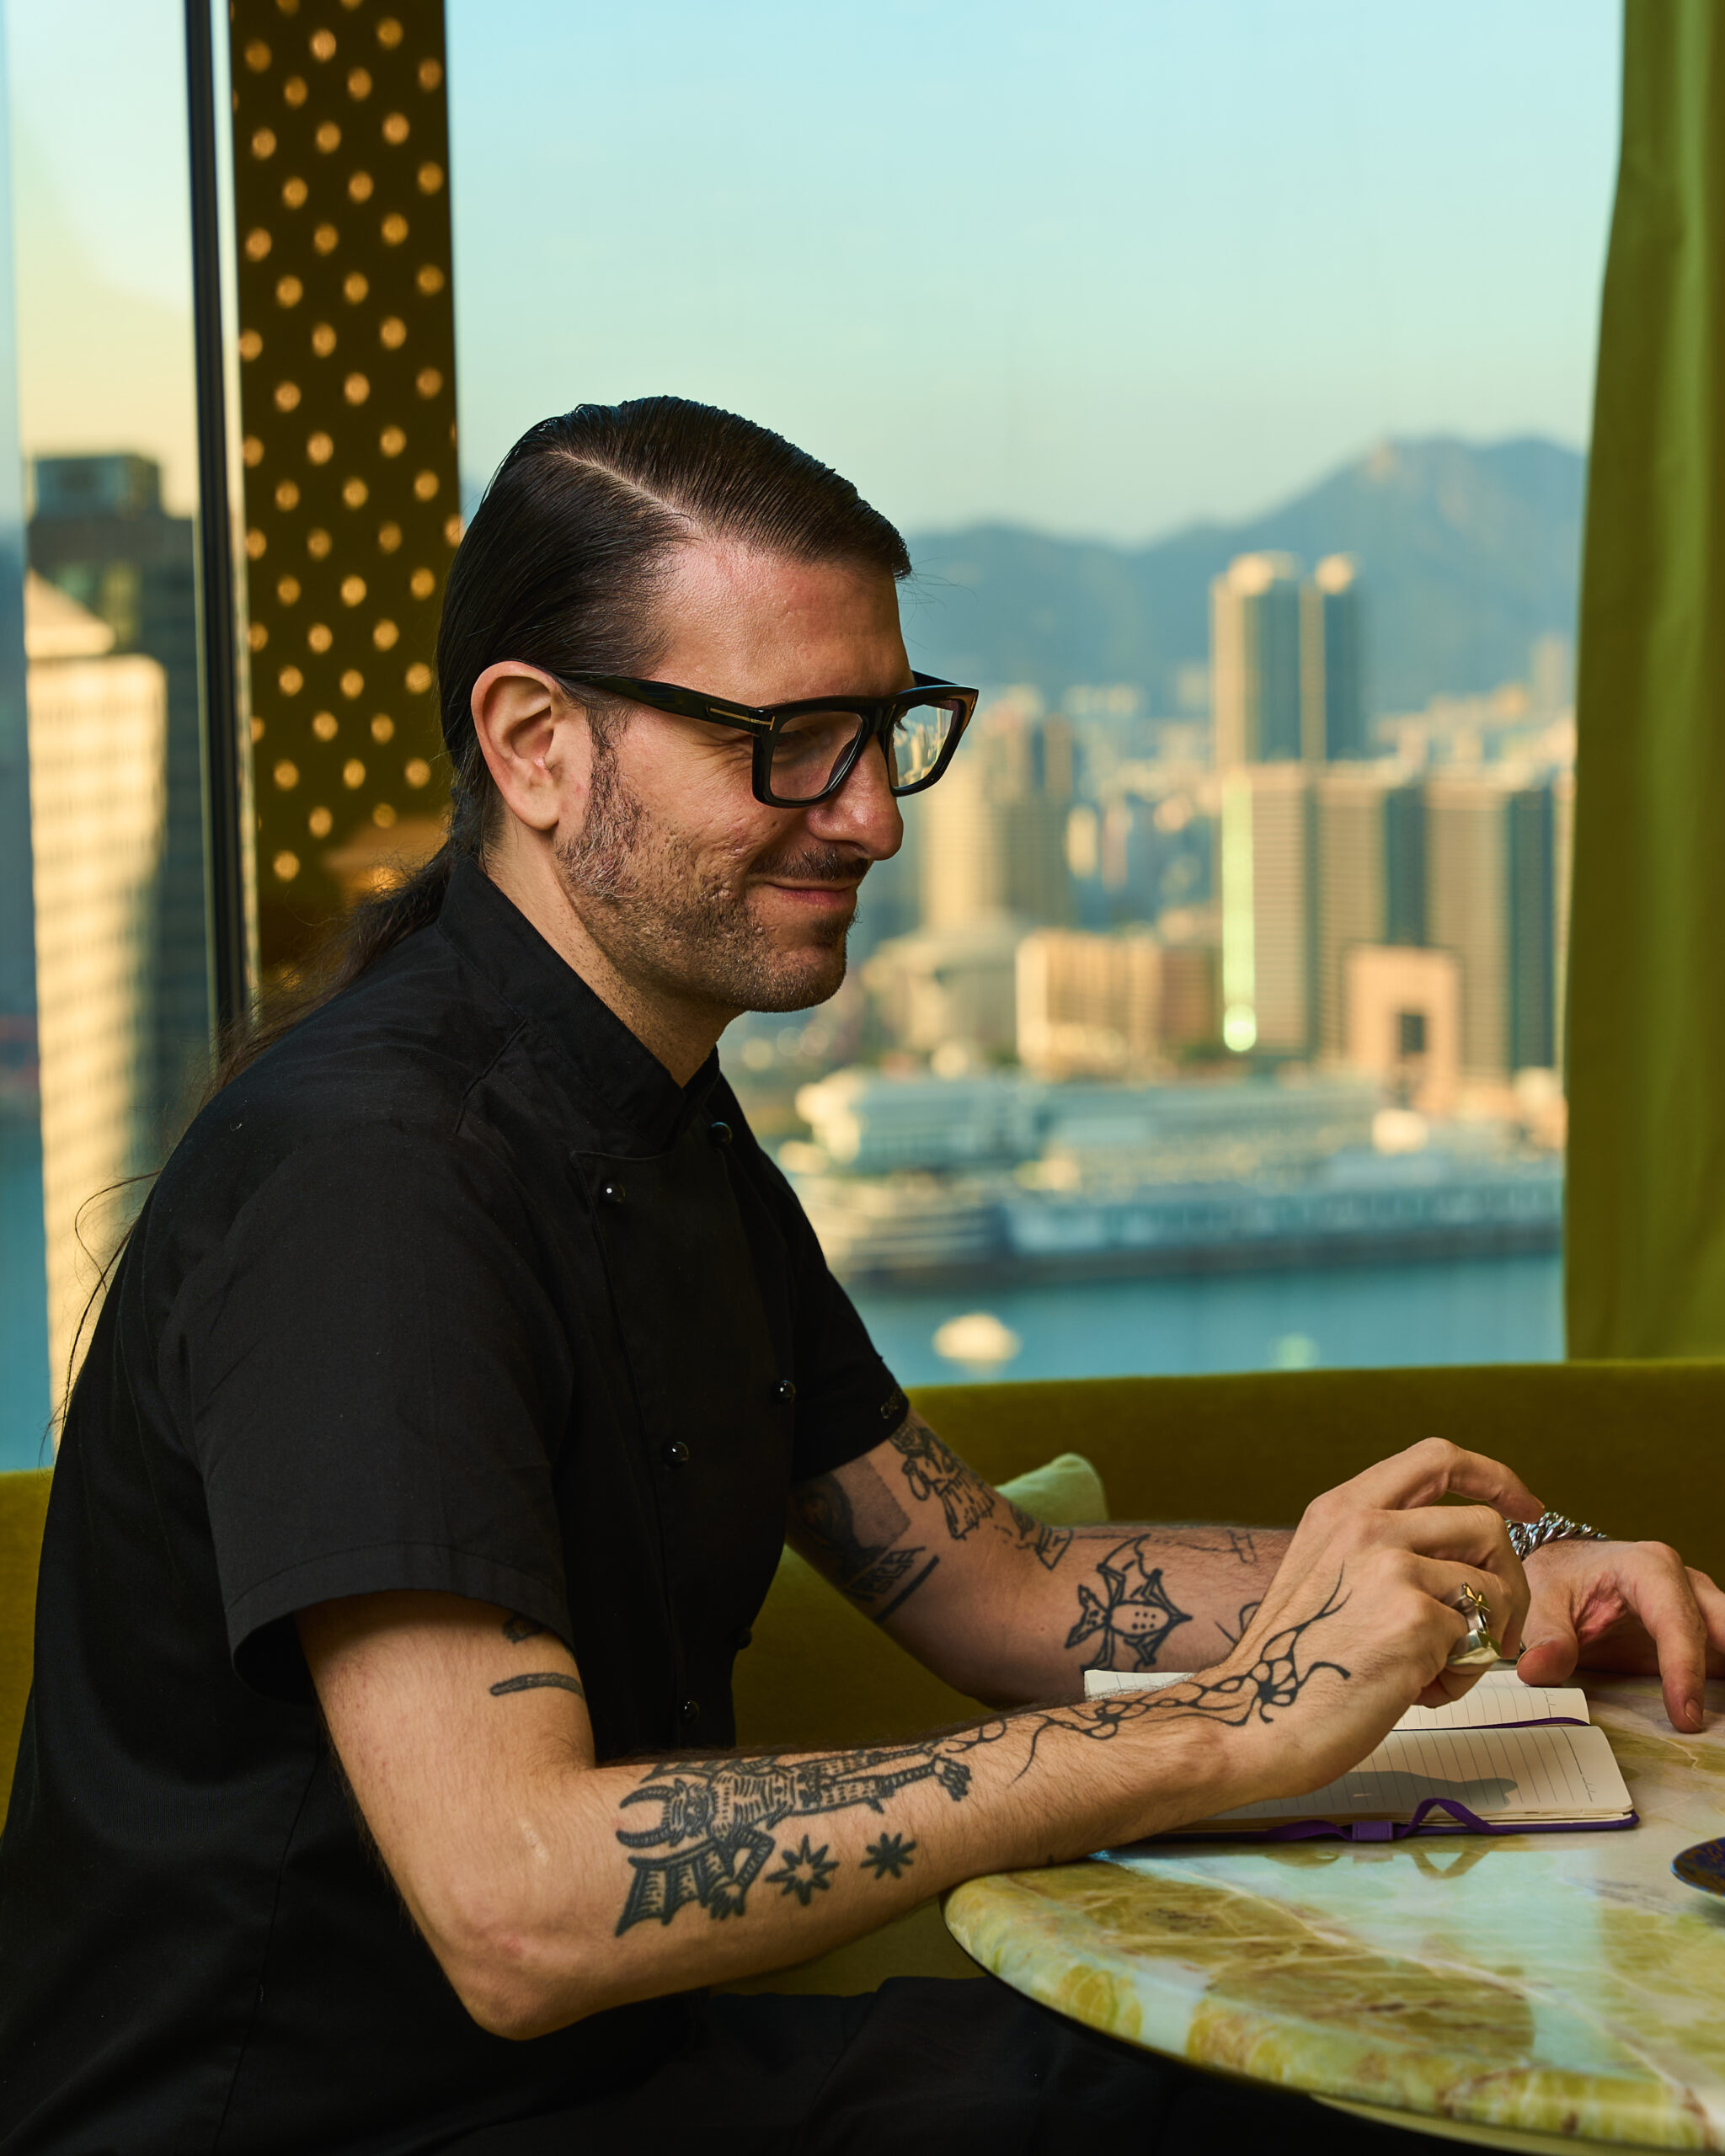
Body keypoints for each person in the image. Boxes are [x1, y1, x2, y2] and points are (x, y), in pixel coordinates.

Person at [1, 398, 1719, 2156]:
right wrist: (1226, 1727)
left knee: (1358, 2068)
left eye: (884, 732)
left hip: (609, 2085)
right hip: (312, 2127)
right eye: (787, 743)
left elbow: (1001, 1586)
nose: (873, 819)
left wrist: (1497, 1576)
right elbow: (516, 1905)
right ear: (534, 744)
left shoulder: (665, 1119)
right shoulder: (374, 1181)